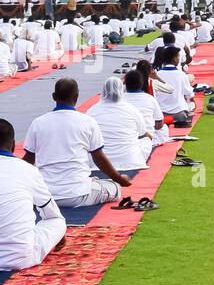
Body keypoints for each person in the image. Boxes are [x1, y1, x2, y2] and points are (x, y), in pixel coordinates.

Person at [23, 78, 133, 209]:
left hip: (45, 196)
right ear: (76, 96)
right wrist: (119, 179)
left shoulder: (38, 123)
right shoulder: (88, 121)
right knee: (114, 188)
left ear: (54, 97)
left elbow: (28, 160)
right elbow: (99, 158)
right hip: (78, 194)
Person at [0, 116, 67, 270]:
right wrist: (58, 236)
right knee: (57, 221)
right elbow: (51, 213)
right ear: (13, 145)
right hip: (19, 257)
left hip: (18, 255)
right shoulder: (27, 169)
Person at [86, 76, 151, 172]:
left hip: (98, 163)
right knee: (146, 140)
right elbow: (142, 135)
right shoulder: (131, 109)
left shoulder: (91, 111)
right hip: (130, 161)